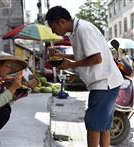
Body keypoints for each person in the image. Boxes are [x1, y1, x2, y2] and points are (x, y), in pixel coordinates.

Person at [45, 6, 124, 147]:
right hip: (106, 82)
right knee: (103, 125)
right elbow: (85, 55)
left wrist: (70, 64)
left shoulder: (83, 30)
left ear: (62, 21)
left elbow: (96, 59)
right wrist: (64, 56)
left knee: (93, 125)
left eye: (53, 27)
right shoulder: (76, 31)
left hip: (104, 83)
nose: (53, 31)